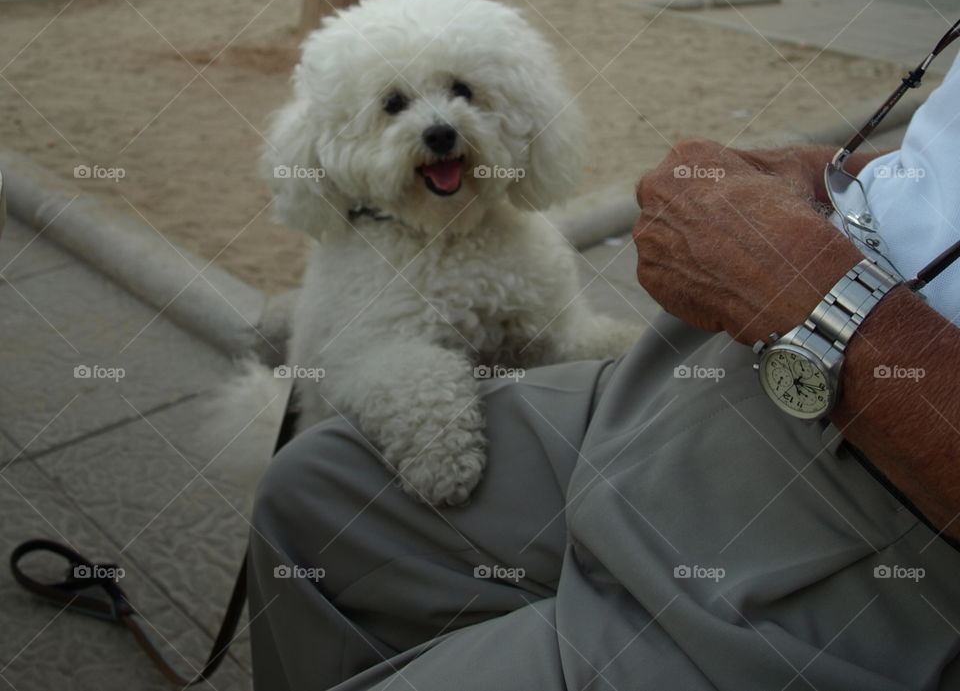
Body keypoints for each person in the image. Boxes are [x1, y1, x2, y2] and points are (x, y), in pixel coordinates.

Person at [247, 47, 960, 689]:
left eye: (460, 90)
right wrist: (830, 177)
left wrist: (812, 290)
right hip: (726, 374)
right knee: (304, 487)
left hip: (897, 486)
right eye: (397, 103)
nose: (439, 123)